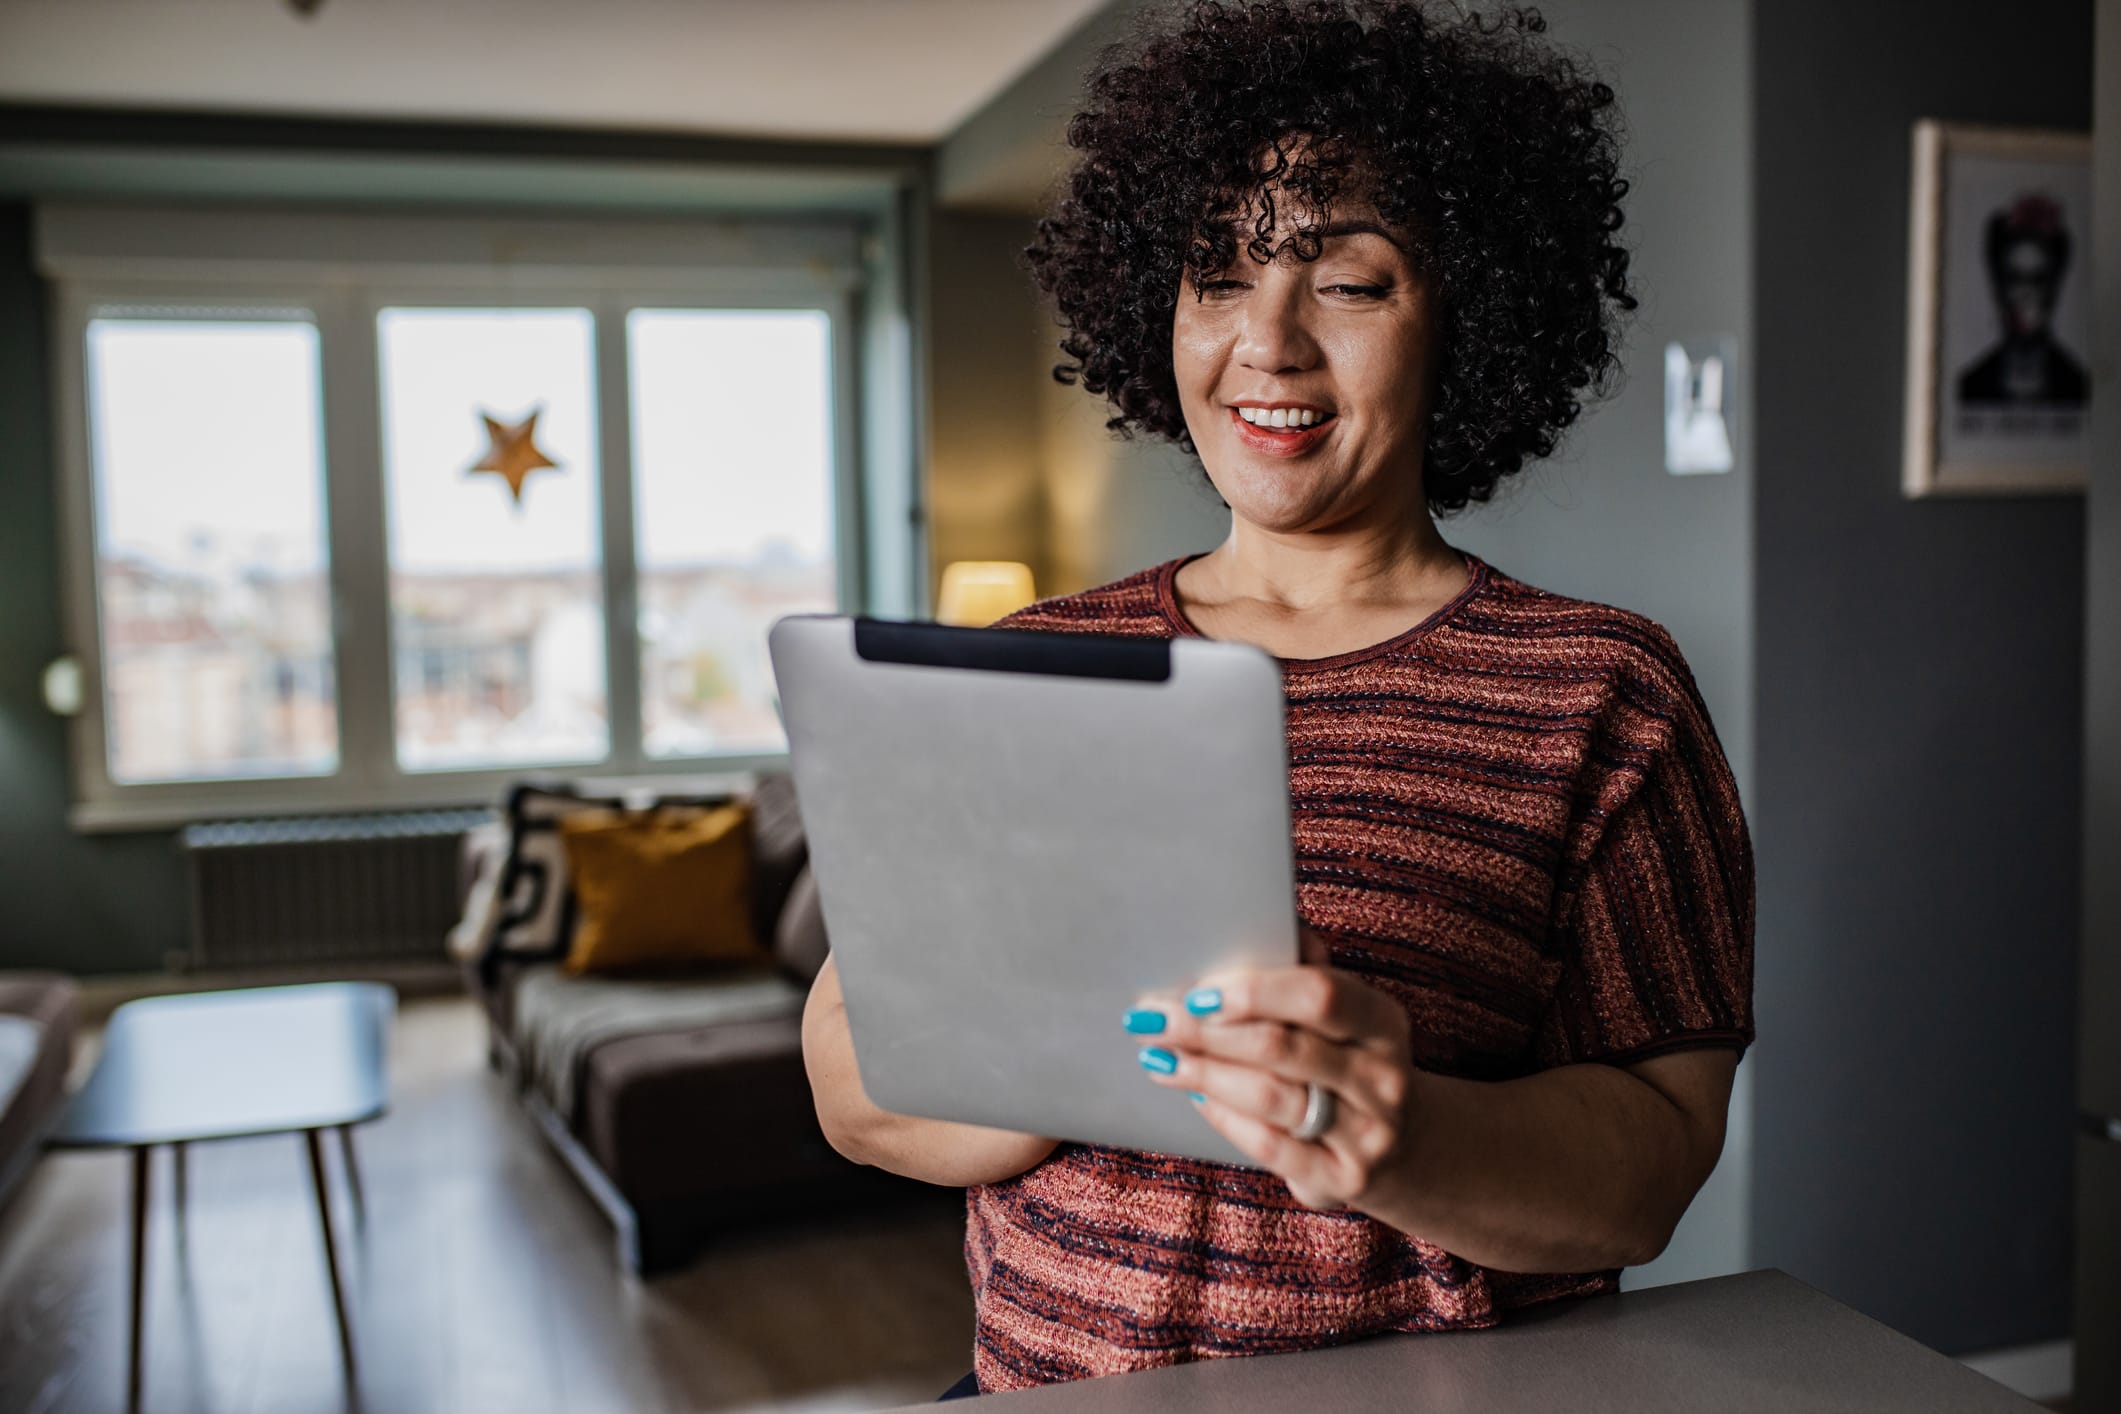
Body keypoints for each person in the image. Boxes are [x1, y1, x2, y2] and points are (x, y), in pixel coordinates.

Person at [801, 0, 1754, 1396]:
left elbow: (1652, 1163)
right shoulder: (1034, 661)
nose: (1268, 343)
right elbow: (848, 1078)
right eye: (1214, 275)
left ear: (1467, 313)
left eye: (1348, 282)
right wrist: (1056, 1070)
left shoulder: (1602, 689)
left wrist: (1394, 1131)